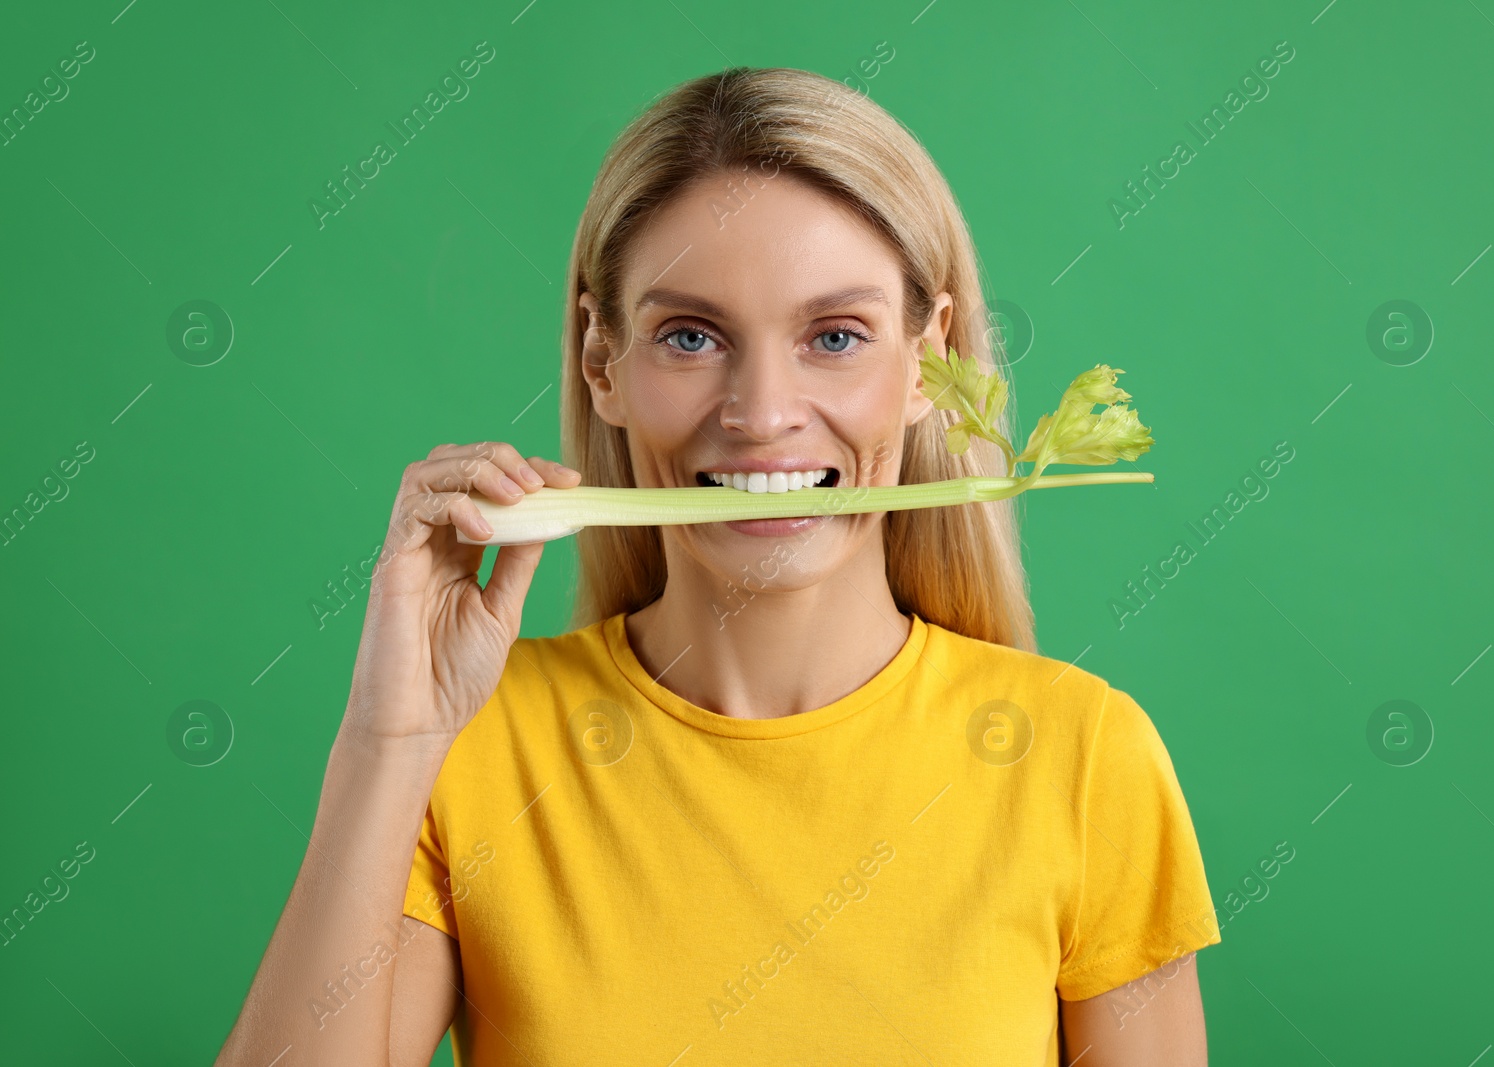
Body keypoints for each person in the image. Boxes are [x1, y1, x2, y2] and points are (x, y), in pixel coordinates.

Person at [214, 66, 1219, 1067]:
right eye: (690, 336)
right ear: (602, 362)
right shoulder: (474, 749)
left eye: (834, 335)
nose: (760, 412)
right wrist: (391, 738)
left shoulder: (1086, 758)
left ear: (928, 360)